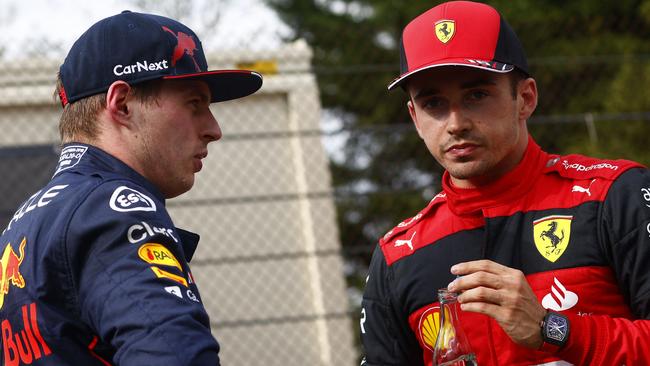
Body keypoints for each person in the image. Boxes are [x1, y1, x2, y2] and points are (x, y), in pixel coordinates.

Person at [359, 1, 650, 365]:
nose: (455, 123)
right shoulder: (397, 257)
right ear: (415, 118)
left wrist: (552, 329)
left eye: (476, 95)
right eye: (433, 103)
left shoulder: (615, 196)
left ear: (525, 98)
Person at [0, 10, 262, 365]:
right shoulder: (114, 208)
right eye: (194, 103)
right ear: (121, 104)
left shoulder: (23, 222)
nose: (214, 129)